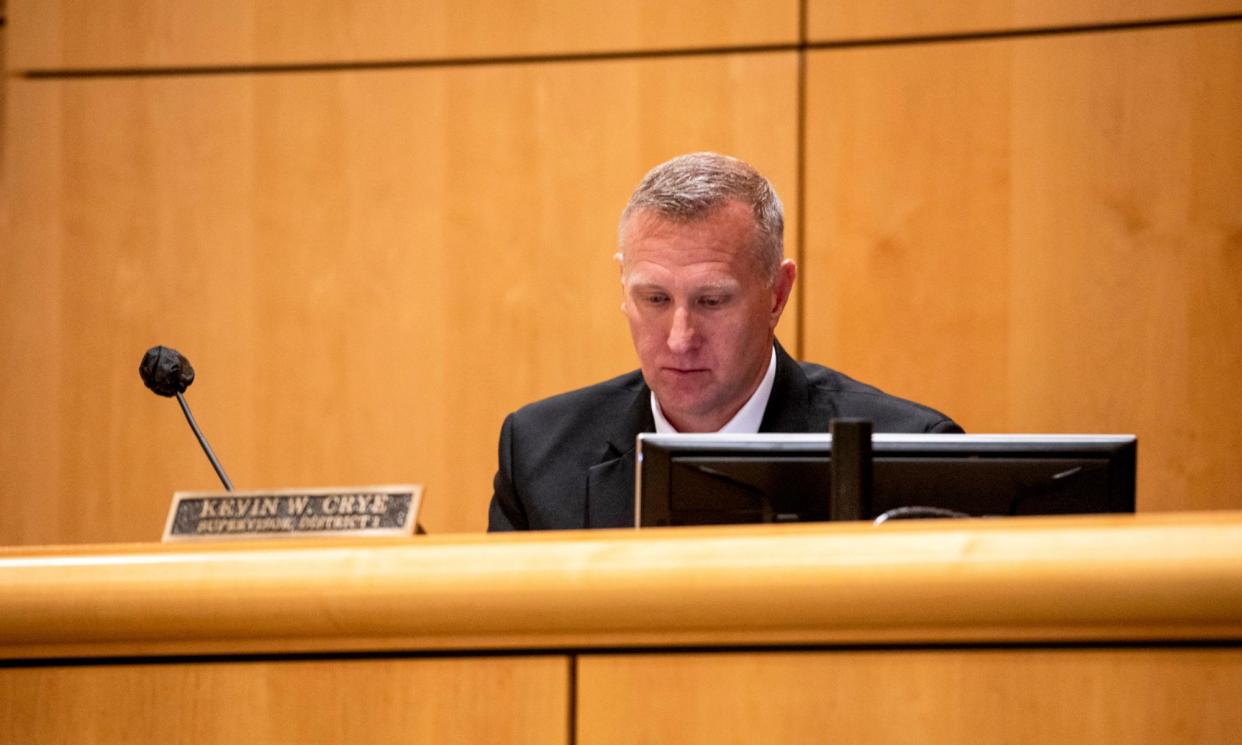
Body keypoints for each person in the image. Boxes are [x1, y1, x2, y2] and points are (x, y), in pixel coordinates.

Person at [489, 152, 960, 531]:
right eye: (654, 298)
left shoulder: (911, 455)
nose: (679, 339)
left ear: (777, 294)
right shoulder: (537, 454)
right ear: (622, 285)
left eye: (711, 301)